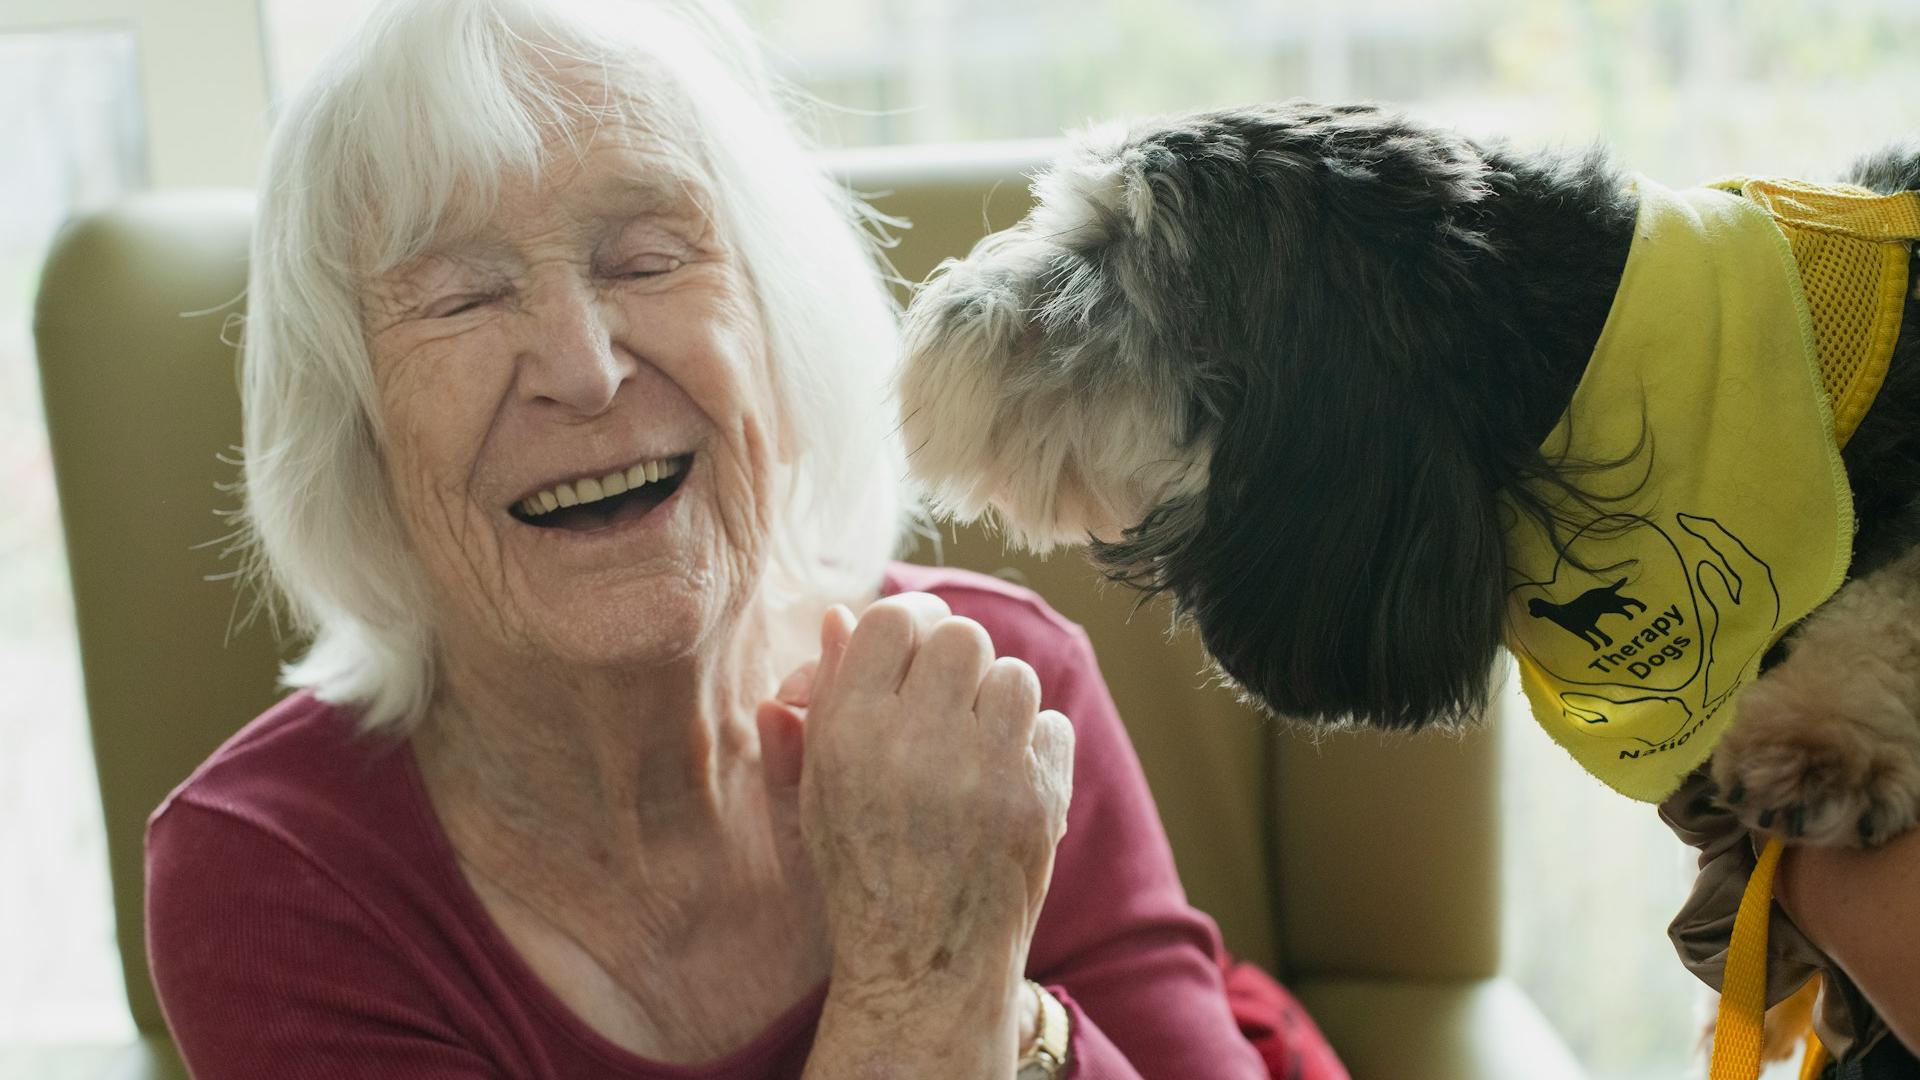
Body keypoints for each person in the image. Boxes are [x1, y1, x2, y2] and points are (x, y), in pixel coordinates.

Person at [143, 0, 1342, 1077]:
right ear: (354, 428)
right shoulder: (272, 876)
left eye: (648, 259)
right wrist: (925, 988)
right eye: (462, 298)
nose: (585, 368)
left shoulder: (994, 686)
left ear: (780, 323)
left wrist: (1007, 1007)